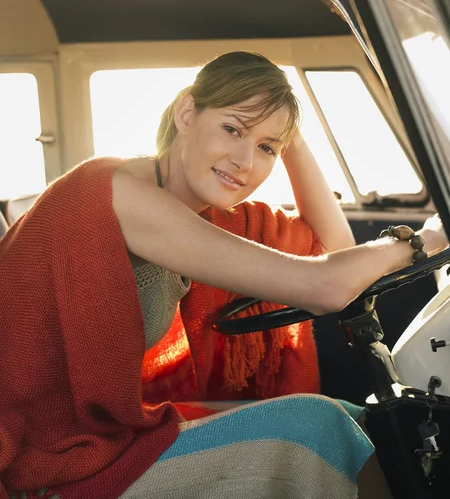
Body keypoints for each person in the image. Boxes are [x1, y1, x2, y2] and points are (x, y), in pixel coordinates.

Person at [0, 52, 447, 499]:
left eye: (267, 148)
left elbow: (335, 252)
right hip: (44, 460)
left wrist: (282, 125)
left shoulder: (202, 213)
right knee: (320, 426)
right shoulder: (119, 193)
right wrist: (427, 237)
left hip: (98, 431)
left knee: (350, 414)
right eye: (232, 129)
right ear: (187, 113)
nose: (244, 161)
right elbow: (325, 285)